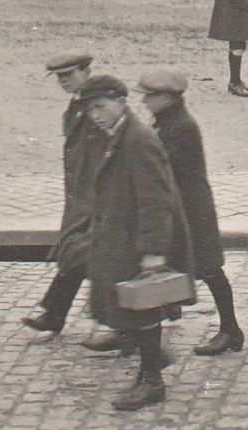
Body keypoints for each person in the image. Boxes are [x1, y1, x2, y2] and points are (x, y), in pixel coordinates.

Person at [76, 75, 194, 411]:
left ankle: (153, 381)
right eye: (89, 109)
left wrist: (154, 252)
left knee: (144, 310)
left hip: (138, 241)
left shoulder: (139, 140)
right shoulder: (112, 135)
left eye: (100, 106)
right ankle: (150, 368)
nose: (94, 115)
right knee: (130, 308)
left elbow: (156, 199)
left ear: (121, 102)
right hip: (119, 238)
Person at [135, 69, 243, 356]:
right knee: (173, 263)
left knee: (209, 268)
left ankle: (231, 329)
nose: (144, 101)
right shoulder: (166, 120)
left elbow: (163, 167)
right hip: (178, 205)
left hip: (193, 209)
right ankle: (156, 318)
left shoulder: (180, 126)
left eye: (150, 96)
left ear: (167, 98)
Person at [21, 52, 110, 344]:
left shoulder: (98, 106)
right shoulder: (76, 106)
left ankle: (131, 323)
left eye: (68, 76)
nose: (63, 82)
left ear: (86, 72)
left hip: (97, 195)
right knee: (78, 252)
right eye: (59, 78)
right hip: (80, 195)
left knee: (89, 254)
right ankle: (54, 313)